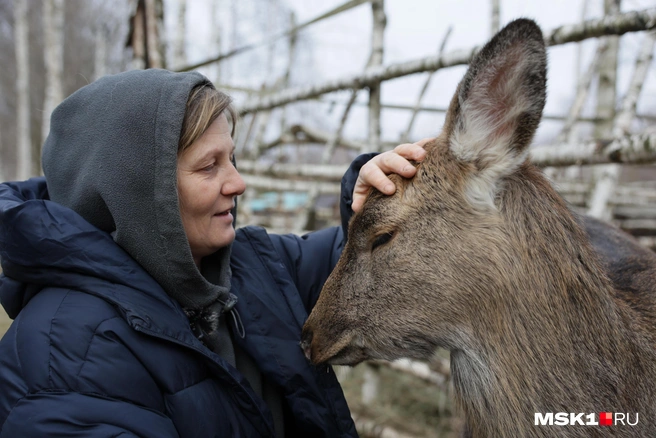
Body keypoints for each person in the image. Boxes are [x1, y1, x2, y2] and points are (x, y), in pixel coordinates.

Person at [0, 68, 427, 437]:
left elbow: (363, 265)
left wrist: (371, 204)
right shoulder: (67, 360)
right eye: (210, 166)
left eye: (232, 159)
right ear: (141, 193)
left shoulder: (250, 266)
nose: (238, 183)